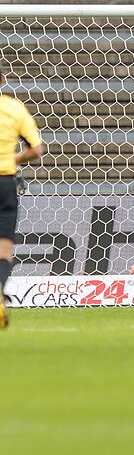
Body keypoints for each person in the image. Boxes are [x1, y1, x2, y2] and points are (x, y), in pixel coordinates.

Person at [0, 76, 44, 329]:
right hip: (4, 183)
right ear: (2, 79)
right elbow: (37, 149)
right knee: (3, 252)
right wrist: (13, 159)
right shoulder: (14, 107)